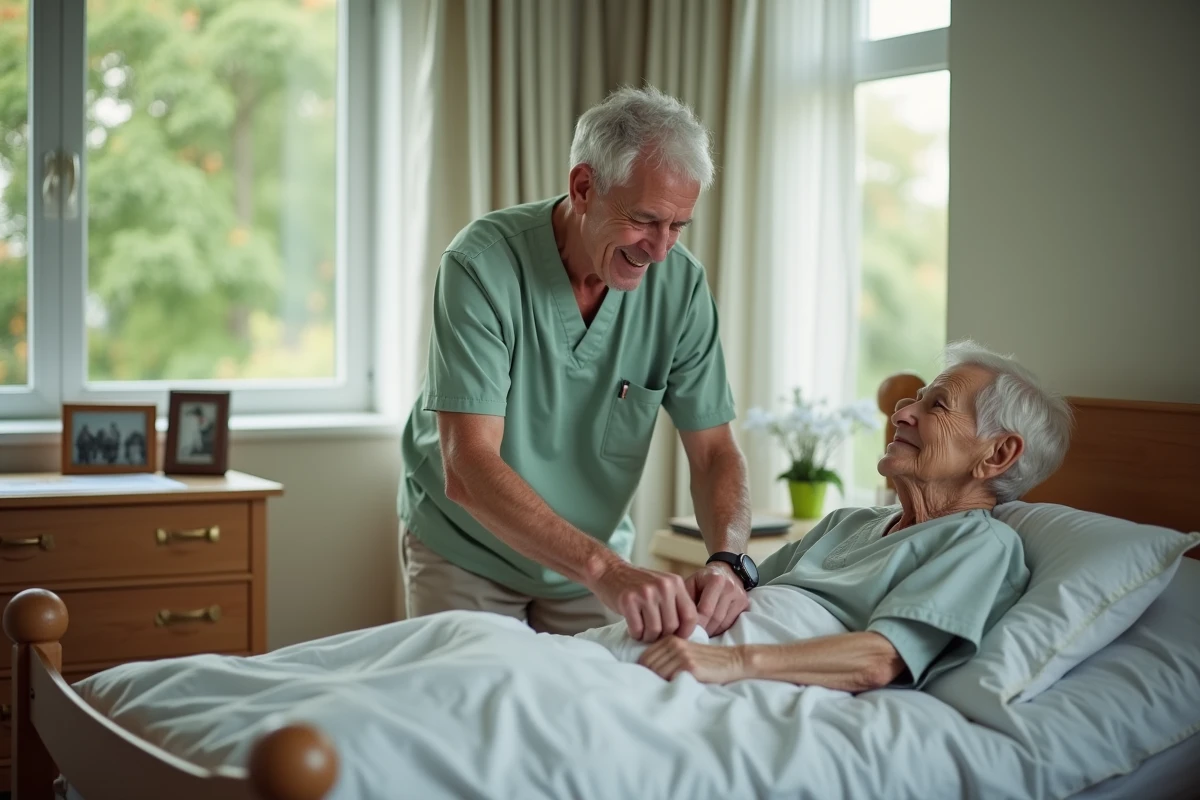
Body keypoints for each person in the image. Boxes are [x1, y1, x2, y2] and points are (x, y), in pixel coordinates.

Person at [398, 86, 754, 641]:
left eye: (678, 226)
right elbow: (468, 464)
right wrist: (606, 570)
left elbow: (713, 454)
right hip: (469, 552)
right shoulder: (481, 265)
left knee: (603, 694)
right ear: (584, 187)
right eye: (645, 220)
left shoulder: (681, 287)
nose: (660, 250)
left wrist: (729, 561)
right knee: (474, 695)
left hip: (590, 565)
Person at [631, 341, 1074, 692]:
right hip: (683, 648)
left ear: (997, 454)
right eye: (915, 400)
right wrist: (703, 593)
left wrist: (730, 660)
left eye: (937, 405)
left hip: (728, 671)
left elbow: (881, 658)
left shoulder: (980, 545)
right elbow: (744, 594)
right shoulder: (847, 521)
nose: (901, 413)